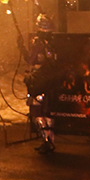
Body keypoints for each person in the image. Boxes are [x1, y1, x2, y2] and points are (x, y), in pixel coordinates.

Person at [26, 14, 58, 154]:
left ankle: (46, 141)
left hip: (39, 81)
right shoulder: (53, 41)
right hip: (50, 81)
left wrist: (21, 47)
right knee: (48, 112)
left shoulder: (38, 42)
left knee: (38, 111)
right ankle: (50, 140)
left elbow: (31, 59)